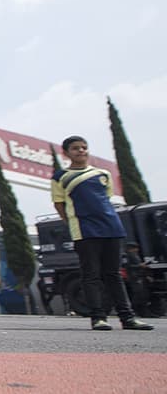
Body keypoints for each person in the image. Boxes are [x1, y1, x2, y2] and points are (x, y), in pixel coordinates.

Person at [53, 136, 153, 331]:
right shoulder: (60, 177)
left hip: (111, 227)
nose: (81, 151)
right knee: (91, 275)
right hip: (84, 230)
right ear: (66, 153)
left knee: (114, 274)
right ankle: (98, 318)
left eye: (84, 148)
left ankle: (128, 318)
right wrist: (72, 223)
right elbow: (59, 204)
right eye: (75, 148)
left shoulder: (102, 174)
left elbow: (105, 199)